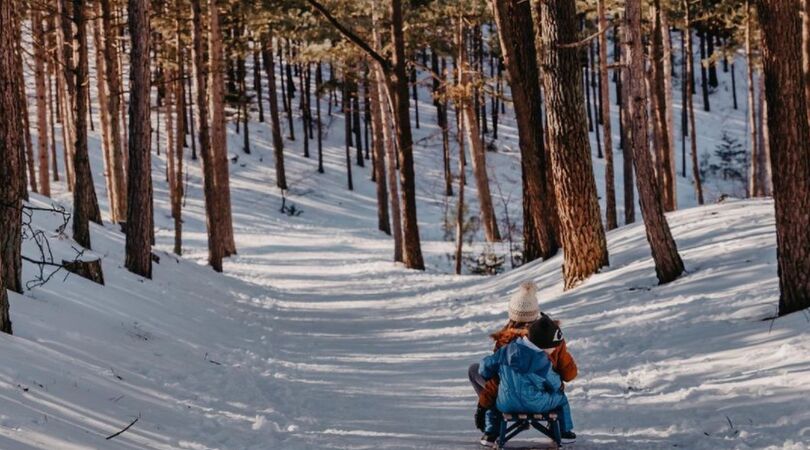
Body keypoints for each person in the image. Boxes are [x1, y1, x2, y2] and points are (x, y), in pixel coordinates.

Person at [468, 281, 577, 446]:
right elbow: (568, 375)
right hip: (540, 398)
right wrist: (557, 384)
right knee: (559, 396)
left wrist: (483, 404)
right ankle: (564, 431)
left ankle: (491, 431)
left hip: (506, 401)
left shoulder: (505, 342)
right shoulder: (551, 337)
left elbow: (494, 379)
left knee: (478, 372)